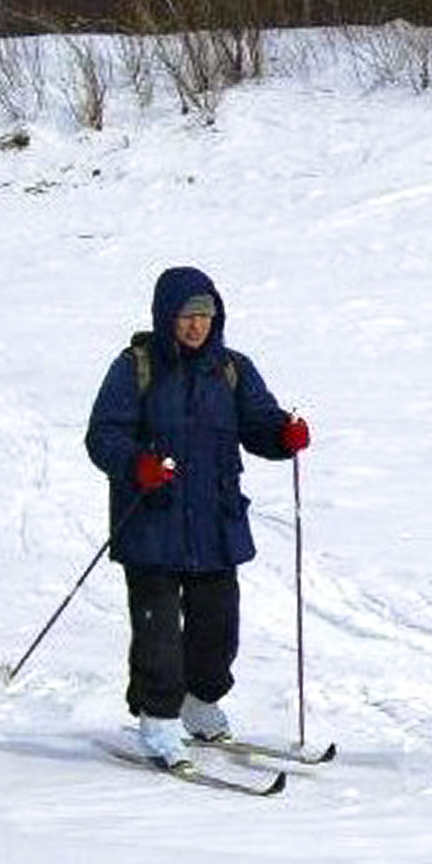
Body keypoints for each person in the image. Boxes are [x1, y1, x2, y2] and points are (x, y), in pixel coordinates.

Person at [84, 266, 309, 770]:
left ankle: (200, 702)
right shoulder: (135, 367)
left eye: (205, 315)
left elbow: (260, 423)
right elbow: (104, 435)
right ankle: (158, 719)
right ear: (166, 317)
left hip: (215, 521)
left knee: (218, 627)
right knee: (158, 632)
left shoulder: (231, 369)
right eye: (187, 315)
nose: (196, 325)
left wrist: (282, 436)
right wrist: (136, 465)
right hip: (151, 522)